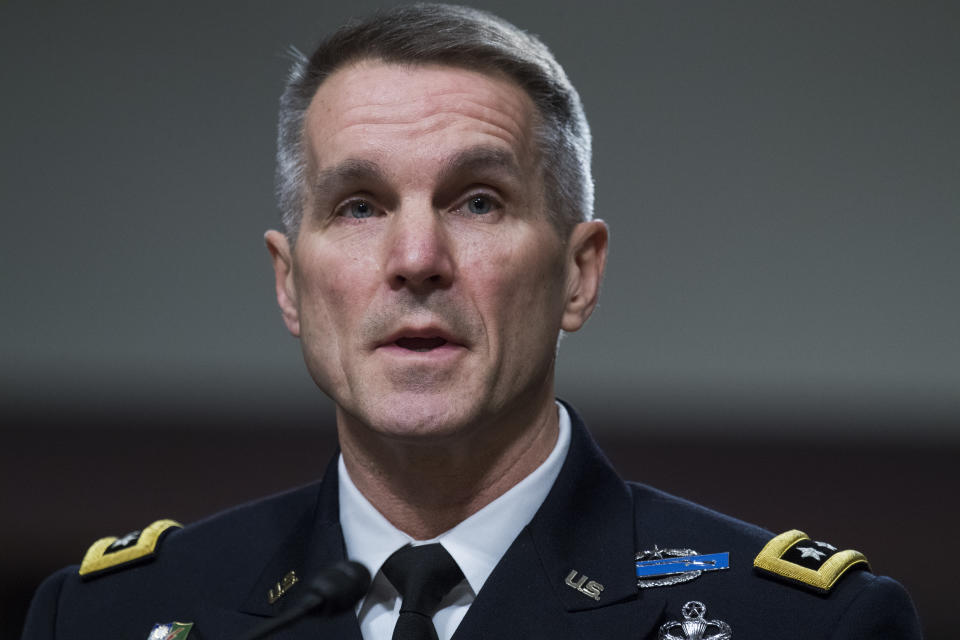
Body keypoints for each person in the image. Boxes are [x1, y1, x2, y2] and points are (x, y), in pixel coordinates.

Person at [22, 4, 922, 639]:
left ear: (578, 273)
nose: (417, 258)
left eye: (479, 201)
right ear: (290, 284)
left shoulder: (804, 624)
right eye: (360, 206)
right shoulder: (108, 617)